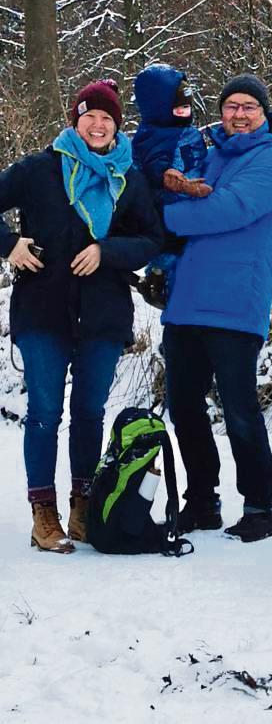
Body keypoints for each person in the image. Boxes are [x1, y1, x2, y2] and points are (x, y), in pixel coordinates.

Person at [0, 79, 163, 552]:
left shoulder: (128, 178)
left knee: (90, 413)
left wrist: (105, 250)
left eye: (107, 118)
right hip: (42, 310)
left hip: (103, 312)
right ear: (75, 120)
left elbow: (152, 239)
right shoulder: (39, 170)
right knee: (45, 412)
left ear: (117, 125)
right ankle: (42, 511)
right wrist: (9, 244)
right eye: (89, 116)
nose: (97, 124)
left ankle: (82, 505)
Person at [161, 72, 272, 542]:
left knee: (240, 410)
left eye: (248, 107)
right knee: (183, 406)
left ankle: (260, 505)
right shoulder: (208, 151)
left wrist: (163, 220)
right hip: (187, 302)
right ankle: (202, 499)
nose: (238, 114)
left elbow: (230, 209)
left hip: (236, 303)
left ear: (264, 114)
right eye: (231, 106)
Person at [132, 63, 211, 309]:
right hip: (170, 206)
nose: (185, 114)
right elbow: (150, 163)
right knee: (170, 248)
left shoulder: (186, 132)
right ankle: (158, 276)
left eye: (187, 107)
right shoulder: (153, 135)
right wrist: (167, 178)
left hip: (191, 207)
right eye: (178, 109)